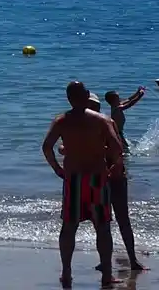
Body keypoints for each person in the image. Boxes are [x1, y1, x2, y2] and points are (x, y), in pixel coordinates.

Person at [43, 81, 124, 288]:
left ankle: (67, 272)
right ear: (87, 95)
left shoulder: (61, 121)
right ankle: (106, 274)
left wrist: (57, 169)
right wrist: (113, 168)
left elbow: (46, 147)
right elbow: (117, 148)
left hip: (74, 179)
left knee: (69, 227)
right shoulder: (102, 120)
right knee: (103, 228)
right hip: (97, 178)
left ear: (68, 98)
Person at [102, 87, 146, 272]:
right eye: (118, 96)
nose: (120, 97)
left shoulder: (115, 107)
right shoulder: (117, 109)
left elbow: (127, 101)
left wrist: (137, 93)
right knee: (124, 157)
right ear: (113, 100)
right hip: (118, 139)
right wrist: (140, 95)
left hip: (121, 137)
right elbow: (130, 104)